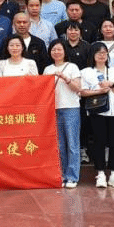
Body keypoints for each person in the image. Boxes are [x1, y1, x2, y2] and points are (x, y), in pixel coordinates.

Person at [80, 43, 114, 188]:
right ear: (93, 55)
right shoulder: (86, 72)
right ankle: (100, 173)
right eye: (98, 52)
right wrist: (99, 91)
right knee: (99, 141)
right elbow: (82, 92)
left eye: (104, 52)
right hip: (97, 110)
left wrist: (111, 85)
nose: (102, 55)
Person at [46, 40, 83, 188]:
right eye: (53, 49)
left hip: (70, 108)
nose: (56, 52)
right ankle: (61, 175)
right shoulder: (47, 69)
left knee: (72, 144)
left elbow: (78, 88)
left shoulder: (72, 67)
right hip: (53, 109)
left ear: (65, 51)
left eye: (59, 49)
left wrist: (65, 78)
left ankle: (72, 177)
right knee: (59, 144)